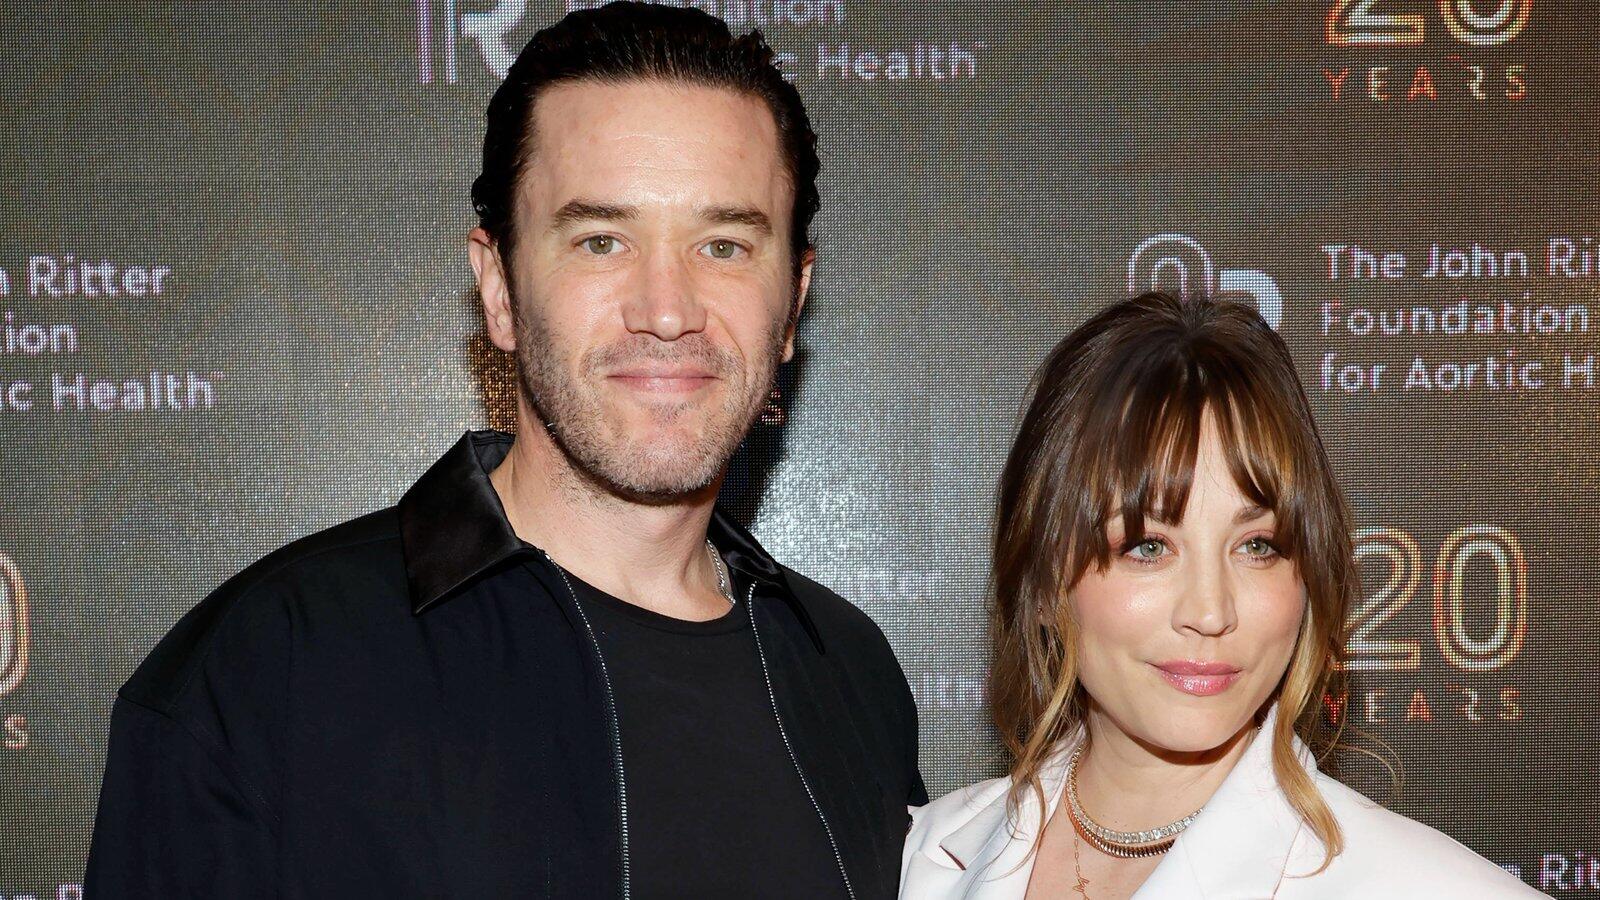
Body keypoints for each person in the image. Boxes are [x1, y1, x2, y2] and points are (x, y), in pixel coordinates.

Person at [85, 4, 925, 897]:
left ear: (792, 299)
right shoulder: (268, 670)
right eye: (601, 241)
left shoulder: (849, 674)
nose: (667, 309)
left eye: (724, 245)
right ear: (498, 288)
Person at [900, 292, 1541, 898]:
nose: (1211, 613)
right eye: (1148, 546)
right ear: (1042, 580)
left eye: (1257, 545)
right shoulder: (919, 859)